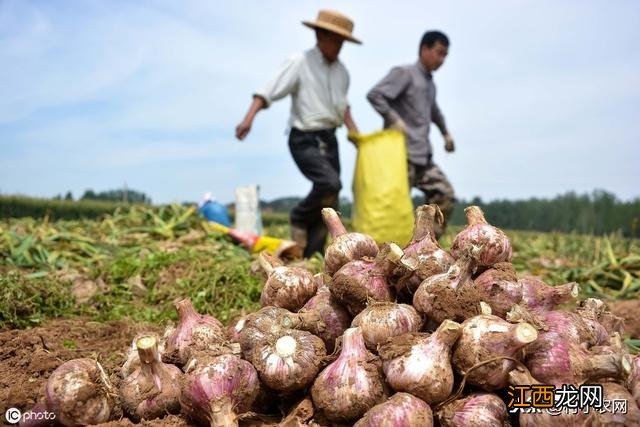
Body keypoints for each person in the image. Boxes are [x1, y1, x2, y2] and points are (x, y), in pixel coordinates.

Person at [235, 10, 361, 257]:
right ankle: (298, 215)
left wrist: (355, 133)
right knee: (329, 183)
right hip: (304, 137)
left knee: (331, 199)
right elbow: (268, 90)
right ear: (319, 35)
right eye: (335, 39)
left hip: (329, 138)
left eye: (342, 41)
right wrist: (248, 119)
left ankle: (311, 256)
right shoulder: (300, 62)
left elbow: (343, 106)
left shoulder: (342, 72)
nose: (339, 46)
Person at [367, 30, 455, 238]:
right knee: (393, 209)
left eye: (445, 55)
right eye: (439, 52)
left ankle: (425, 246)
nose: (442, 59)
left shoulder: (430, 83)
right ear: (425, 49)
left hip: (422, 155)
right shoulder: (404, 73)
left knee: (445, 195)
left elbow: (434, 111)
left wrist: (446, 134)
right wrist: (394, 120)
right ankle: (385, 254)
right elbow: (376, 95)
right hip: (400, 156)